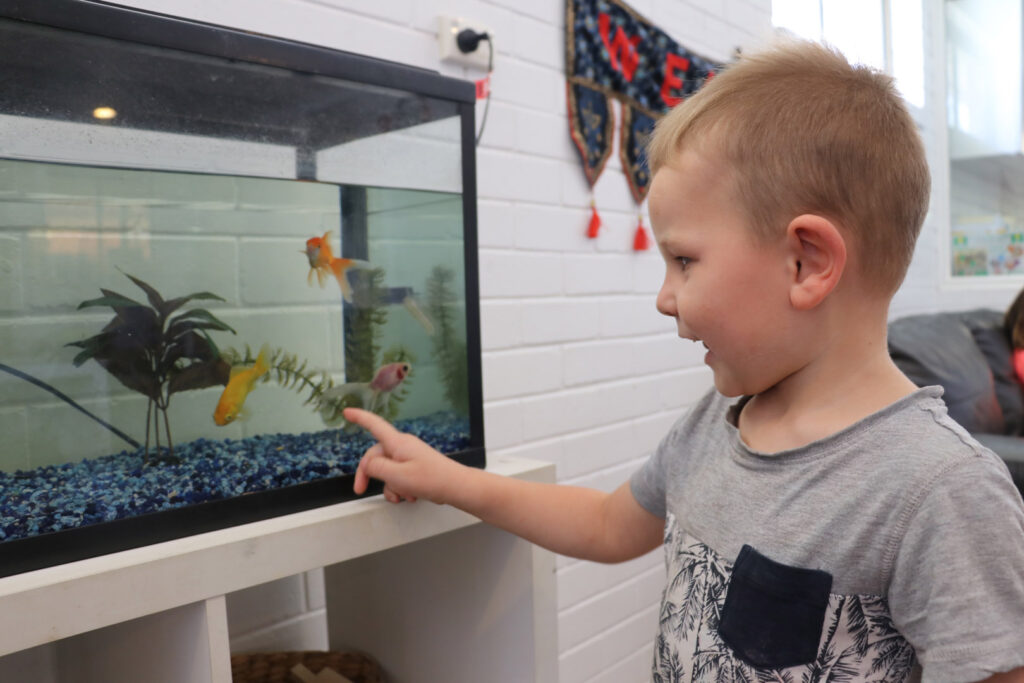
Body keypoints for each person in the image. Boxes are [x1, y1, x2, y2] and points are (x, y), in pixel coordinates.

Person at [344, 40, 1024, 682]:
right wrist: (449, 479)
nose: (665, 297)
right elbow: (608, 524)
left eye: (685, 260)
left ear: (806, 261)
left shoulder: (942, 491)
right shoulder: (716, 423)